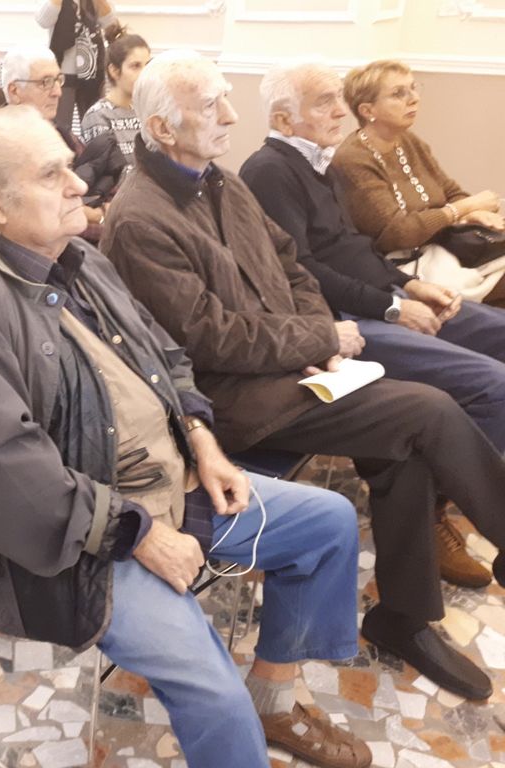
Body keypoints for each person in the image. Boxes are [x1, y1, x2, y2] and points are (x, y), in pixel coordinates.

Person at [0, 105, 370, 768]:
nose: (78, 184)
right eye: (51, 174)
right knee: (215, 693)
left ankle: (274, 695)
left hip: (169, 485)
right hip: (72, 543)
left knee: (330, 524)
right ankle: (243, 719)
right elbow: (11, 483)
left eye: (70, 166)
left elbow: (167, 354)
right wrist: (142, 535)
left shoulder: (79, 260)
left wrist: (202, 439)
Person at [101, 50, 505, 703]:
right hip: (228, 401)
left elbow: (293, 265)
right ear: (162, 128)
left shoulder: (220, 181)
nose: (232, 115)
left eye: (226, 97)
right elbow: (209, 338)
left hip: (290, 369)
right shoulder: (139, 218)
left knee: (402, 446)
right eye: (211, 105)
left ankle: (403, 618)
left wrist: (322, 340)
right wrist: (319, 340)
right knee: (426, 410)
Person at [241, 61, 505, 587]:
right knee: (493, 385)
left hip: (382, 297)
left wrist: (409, 287)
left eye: (338, 98)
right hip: (343, 323)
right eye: (323, 102)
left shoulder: (321, 163)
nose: (340, 111)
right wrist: (392, 307)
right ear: (284, 119)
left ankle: (451, 494)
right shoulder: (268, 171)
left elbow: (355, 249)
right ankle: (441, 515)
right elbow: (305, 272)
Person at [331, 60, 505, 304]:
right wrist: (463, 209)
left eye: (413, 88)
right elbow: (397, 234)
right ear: (368, 111)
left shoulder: (408, 141)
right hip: (401, 266)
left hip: (444, 250)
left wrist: (474, 213)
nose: (414, 99)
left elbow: (451, 192)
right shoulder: (353, 160)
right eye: (398, 93)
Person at [2, 47, 124, 242]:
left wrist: (107, 212)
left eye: (58, 80)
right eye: (45, 82)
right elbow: (42, 221)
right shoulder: (2, 146)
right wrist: (100, 217)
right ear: (14, 91)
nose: (58, 92)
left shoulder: (62, 133)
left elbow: (104, 176)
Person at [35, 0, 117, 131]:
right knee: (60, 127)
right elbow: (43, 21)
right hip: (61, 71)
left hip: (92, 70)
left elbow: (109, 21)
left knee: (95, 125)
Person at [80, 32, 149, 169]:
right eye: (135, 66)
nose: (144, 73)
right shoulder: (98, 116)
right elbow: (107, 169)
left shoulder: (145, 111)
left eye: (147, 65)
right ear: (114, 71)